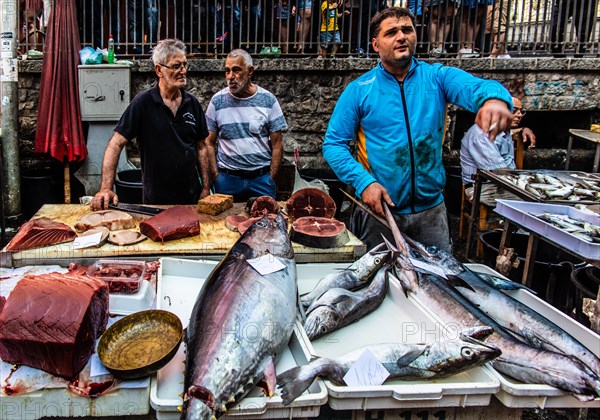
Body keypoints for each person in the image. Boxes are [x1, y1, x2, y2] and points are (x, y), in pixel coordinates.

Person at [322, 7, 512, 251]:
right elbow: (333, 145)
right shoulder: (359, 90)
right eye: (391, 32)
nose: (401, 36)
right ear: (375, 44)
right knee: (380, 283)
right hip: (379, 212)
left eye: (407, 30)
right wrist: (364, 183)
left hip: (431, 212)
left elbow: (477, 87)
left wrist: (494, 100)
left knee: (441, 283)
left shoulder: (437, 77)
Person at [91, 39, 209, 211]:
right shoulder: (143, 103)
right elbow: (115, 144)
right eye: (176, 66)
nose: (183, 71)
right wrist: (106, 188)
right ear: (158, 70)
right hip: (155, 200)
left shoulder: (192, 103)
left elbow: (202, 147)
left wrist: (206, 188)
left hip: (190, 198)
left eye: (185, 65)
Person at [202, 49, 288, 202]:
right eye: (227, 71)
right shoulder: (217, 102)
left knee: (266, 222)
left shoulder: (268, 100)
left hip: (261, 180)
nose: (230, 77)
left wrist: (270, 177)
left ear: (250, 71)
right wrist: (216, 176)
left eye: (236, 70)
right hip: (228, 180)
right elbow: (208, 141)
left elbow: (277, 144)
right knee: (223, 224)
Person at [460, 96, 536, 207]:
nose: (519, 115)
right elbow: (499, 172)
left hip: (502, 183)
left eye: (521, 111)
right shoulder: (482, 134)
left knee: (537, 195)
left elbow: (508, 133)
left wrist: (523, 129)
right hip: (482, 187)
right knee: (534, 201)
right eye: (514, 111)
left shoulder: (502, 129)